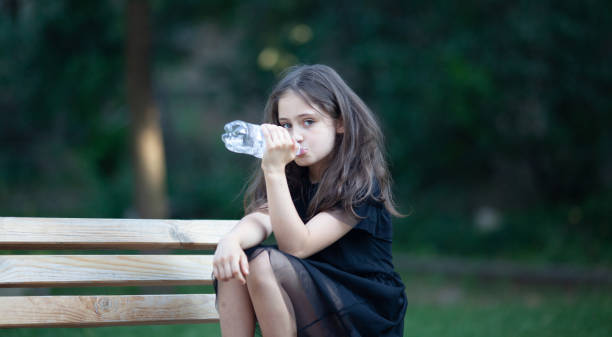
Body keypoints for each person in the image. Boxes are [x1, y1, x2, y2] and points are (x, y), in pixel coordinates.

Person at [213, 64, 407, 337]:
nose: (295, 136)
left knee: (263, 261)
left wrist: (273, 170)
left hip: (362, 307)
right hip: (311, 294)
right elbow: (260, 218)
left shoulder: (360, 183)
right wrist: (231, 242)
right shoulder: (292, 176)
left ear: (340, 122)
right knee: (237, 264)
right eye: (286, 125)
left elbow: (297, 247)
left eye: (309, 122)